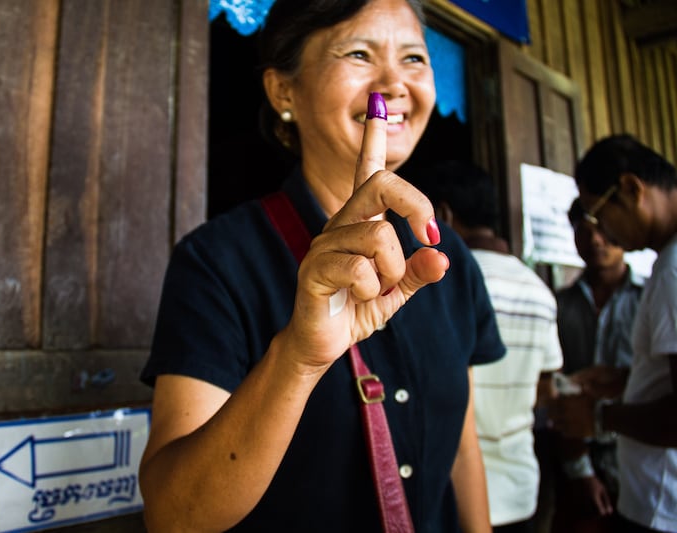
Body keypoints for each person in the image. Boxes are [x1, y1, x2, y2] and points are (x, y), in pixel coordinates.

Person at [138, 1, 505, 531]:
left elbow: (463, 451)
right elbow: (173, 517)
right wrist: (299, 359)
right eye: (359, 53)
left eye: (414, 59)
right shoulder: (217, 261)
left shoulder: (446, 255)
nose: (394, 84)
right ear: (283, 91)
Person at [417, 161, 563, 533]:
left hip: (454, 492)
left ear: (444, 213)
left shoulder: (435, 281)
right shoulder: (539, 291)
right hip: (520, 488)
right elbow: (546, 387)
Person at [549, 134, 677, 533]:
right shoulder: (666, 263)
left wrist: (600, 416)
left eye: (598, 214)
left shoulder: (673, 271)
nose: (600, 233)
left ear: (631, 188)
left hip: (660, 504)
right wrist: (625, 381)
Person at [549, 198, 644, 532]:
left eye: (603, 229)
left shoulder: (650, 299)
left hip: (638, 450)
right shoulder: (559, 304)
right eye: (584, 232)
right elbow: (553, 386)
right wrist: (580, 469)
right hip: (573, 454)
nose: (596, 240)